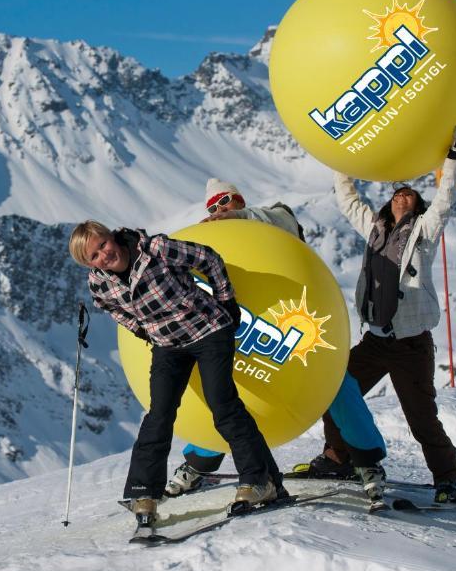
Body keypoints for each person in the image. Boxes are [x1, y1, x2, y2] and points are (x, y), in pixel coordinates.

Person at [165, 180, 389, 506]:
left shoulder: (270, 220)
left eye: (224, 202)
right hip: (248, 332)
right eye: (212, 208)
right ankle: (199, 463)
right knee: (224, 391)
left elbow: (284, 220)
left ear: (239, 199)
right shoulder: (220, 243)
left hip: (299, 327)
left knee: (336, 384)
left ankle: (368, 462)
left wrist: (238, 218)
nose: (218, 211)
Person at [68, 221, 286, 525]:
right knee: (159, 414)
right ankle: (144, 493)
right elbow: (110, 307)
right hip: (168, 344)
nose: (104, 255)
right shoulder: (99, 282)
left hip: (208, 330)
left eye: (103, 244)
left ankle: (260, 481)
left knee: (222, 405)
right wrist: (142, 329)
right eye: (94, 255)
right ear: (88, 263)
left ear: (111, 236)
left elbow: (209, 258)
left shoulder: (155, 249)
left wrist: (227, 301)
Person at [303, 120, 456, 504]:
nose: (402, 198)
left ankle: (448, 480)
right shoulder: (375, 229)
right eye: (398, 194)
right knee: (335, 391)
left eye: (409, 196)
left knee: (421, 419)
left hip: (411, 345)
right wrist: (339, 160)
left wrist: (454, 155)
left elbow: (445, 201)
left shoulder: (424, 234)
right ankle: (339, 457)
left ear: (417, 206)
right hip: (375, 340)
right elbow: (348, 201)